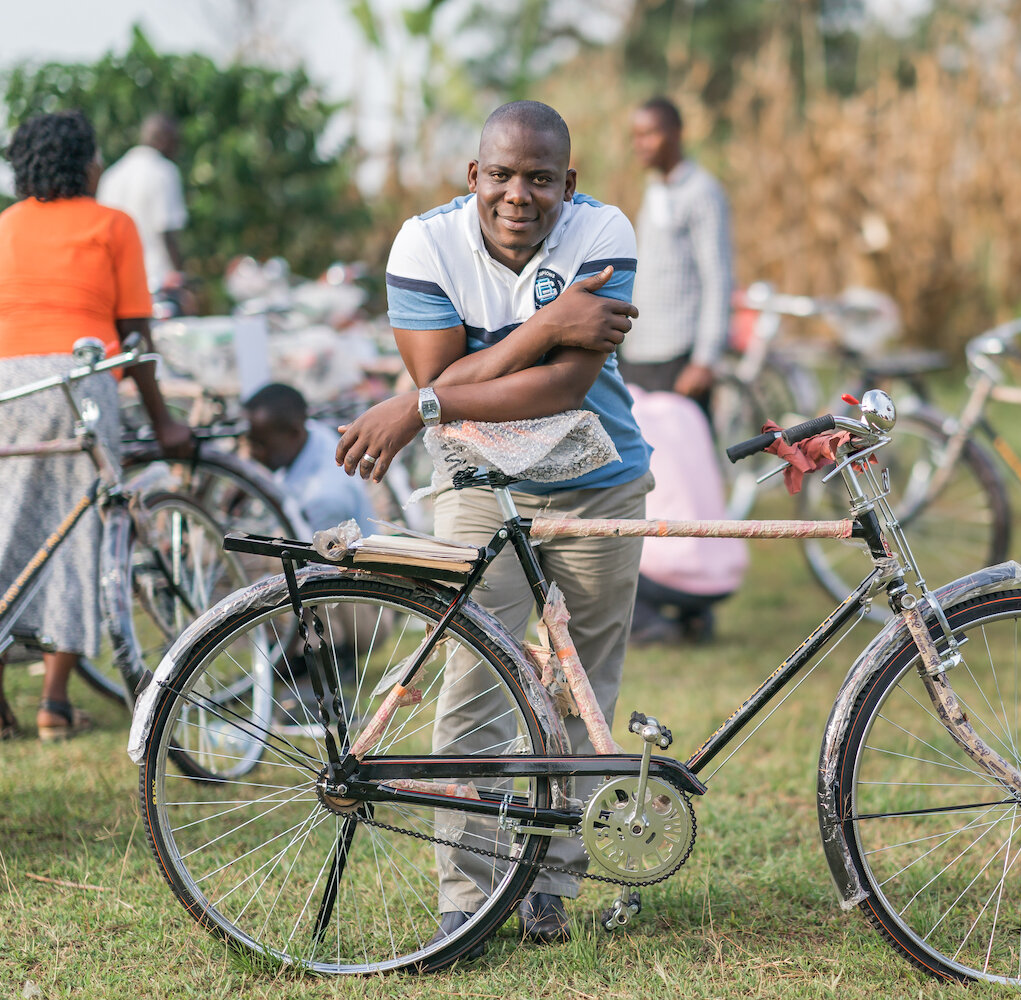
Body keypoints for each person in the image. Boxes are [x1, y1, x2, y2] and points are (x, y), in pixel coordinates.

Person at [335, 100, 651, 945]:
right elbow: (443, 380)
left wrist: (430, 399)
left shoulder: (604, 231)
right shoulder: (425, 243)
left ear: (568, 184)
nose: (520, 195)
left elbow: (561, 389)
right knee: (477, 682)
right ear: (473, 176)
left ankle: (551, 880)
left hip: (601, 481)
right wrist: (547, 327)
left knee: (581, 691)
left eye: (541, 179)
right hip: (479, 481)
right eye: (502, 175)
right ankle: (466, 895)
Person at [0, 111, 193, 741]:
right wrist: (164, 420)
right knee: (82, 529)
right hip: (80, 381)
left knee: (9, 530)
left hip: (8, 385)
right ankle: (53, 703)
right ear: (87, 164)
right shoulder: (112, 225)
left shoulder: (6, 225)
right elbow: (135, 333)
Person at [619, 96, 733, 410]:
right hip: (640, 351)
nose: (640, 144)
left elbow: (717, 277)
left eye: (649, 134)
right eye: (635, 136)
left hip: (678, 356)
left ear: (677, 133)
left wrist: (704, 360)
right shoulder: (655, 188)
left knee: (684, 454)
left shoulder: (702, 192)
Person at [628, 387, 747, 645]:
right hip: (727, 570)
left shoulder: (626, 416)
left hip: (667, 571)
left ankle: (645, 624)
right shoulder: (687, 411)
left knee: (603, 541)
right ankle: (697, 618)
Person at [243, 382, 376, 533]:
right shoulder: (312, 432)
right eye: (250, 441)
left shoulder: (322, 500)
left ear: (293, 433)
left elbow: (324, 554)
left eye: (261, 444)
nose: (252, 453)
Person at [97, 113, 189, 297]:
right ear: (163, 140)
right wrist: (181, 278)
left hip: (118, 284)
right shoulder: (164, 172)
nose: (177, 149)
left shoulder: (112, 175)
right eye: (175, 142)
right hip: (158, 283)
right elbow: (167, 232)